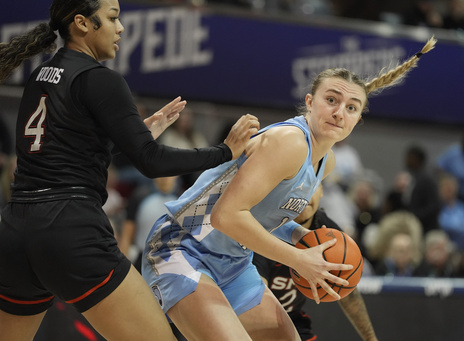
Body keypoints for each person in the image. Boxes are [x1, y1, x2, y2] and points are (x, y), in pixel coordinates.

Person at [142, 37, 437, 340]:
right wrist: (298, 258)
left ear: (358, 119)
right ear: (310, 102)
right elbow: (225, 217)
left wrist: (305, 238)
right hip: (184, 248)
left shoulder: (327, 162)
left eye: (351, 107)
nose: (339, 112)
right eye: (331, 100)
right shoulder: (290, 142)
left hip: (232, 263)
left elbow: (266, 218)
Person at [0, 1, 259, 340]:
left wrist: (136, 135)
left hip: (14, 229)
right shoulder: (101, 79)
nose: (121, 27)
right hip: (69, 229)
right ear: (81, 23)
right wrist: (224, 151)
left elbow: (63, 150)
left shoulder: (40, 75)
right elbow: (151, 162)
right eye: (112, 18)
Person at [253, 184, 378, 341]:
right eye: (297, 187)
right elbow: (256, 297)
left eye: (313, 187)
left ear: (322, 192)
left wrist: (371, 339)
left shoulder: (328, 231)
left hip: (292, 318)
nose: (306, 196)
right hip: (251, 317)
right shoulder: (266, 226)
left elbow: (350, 295)